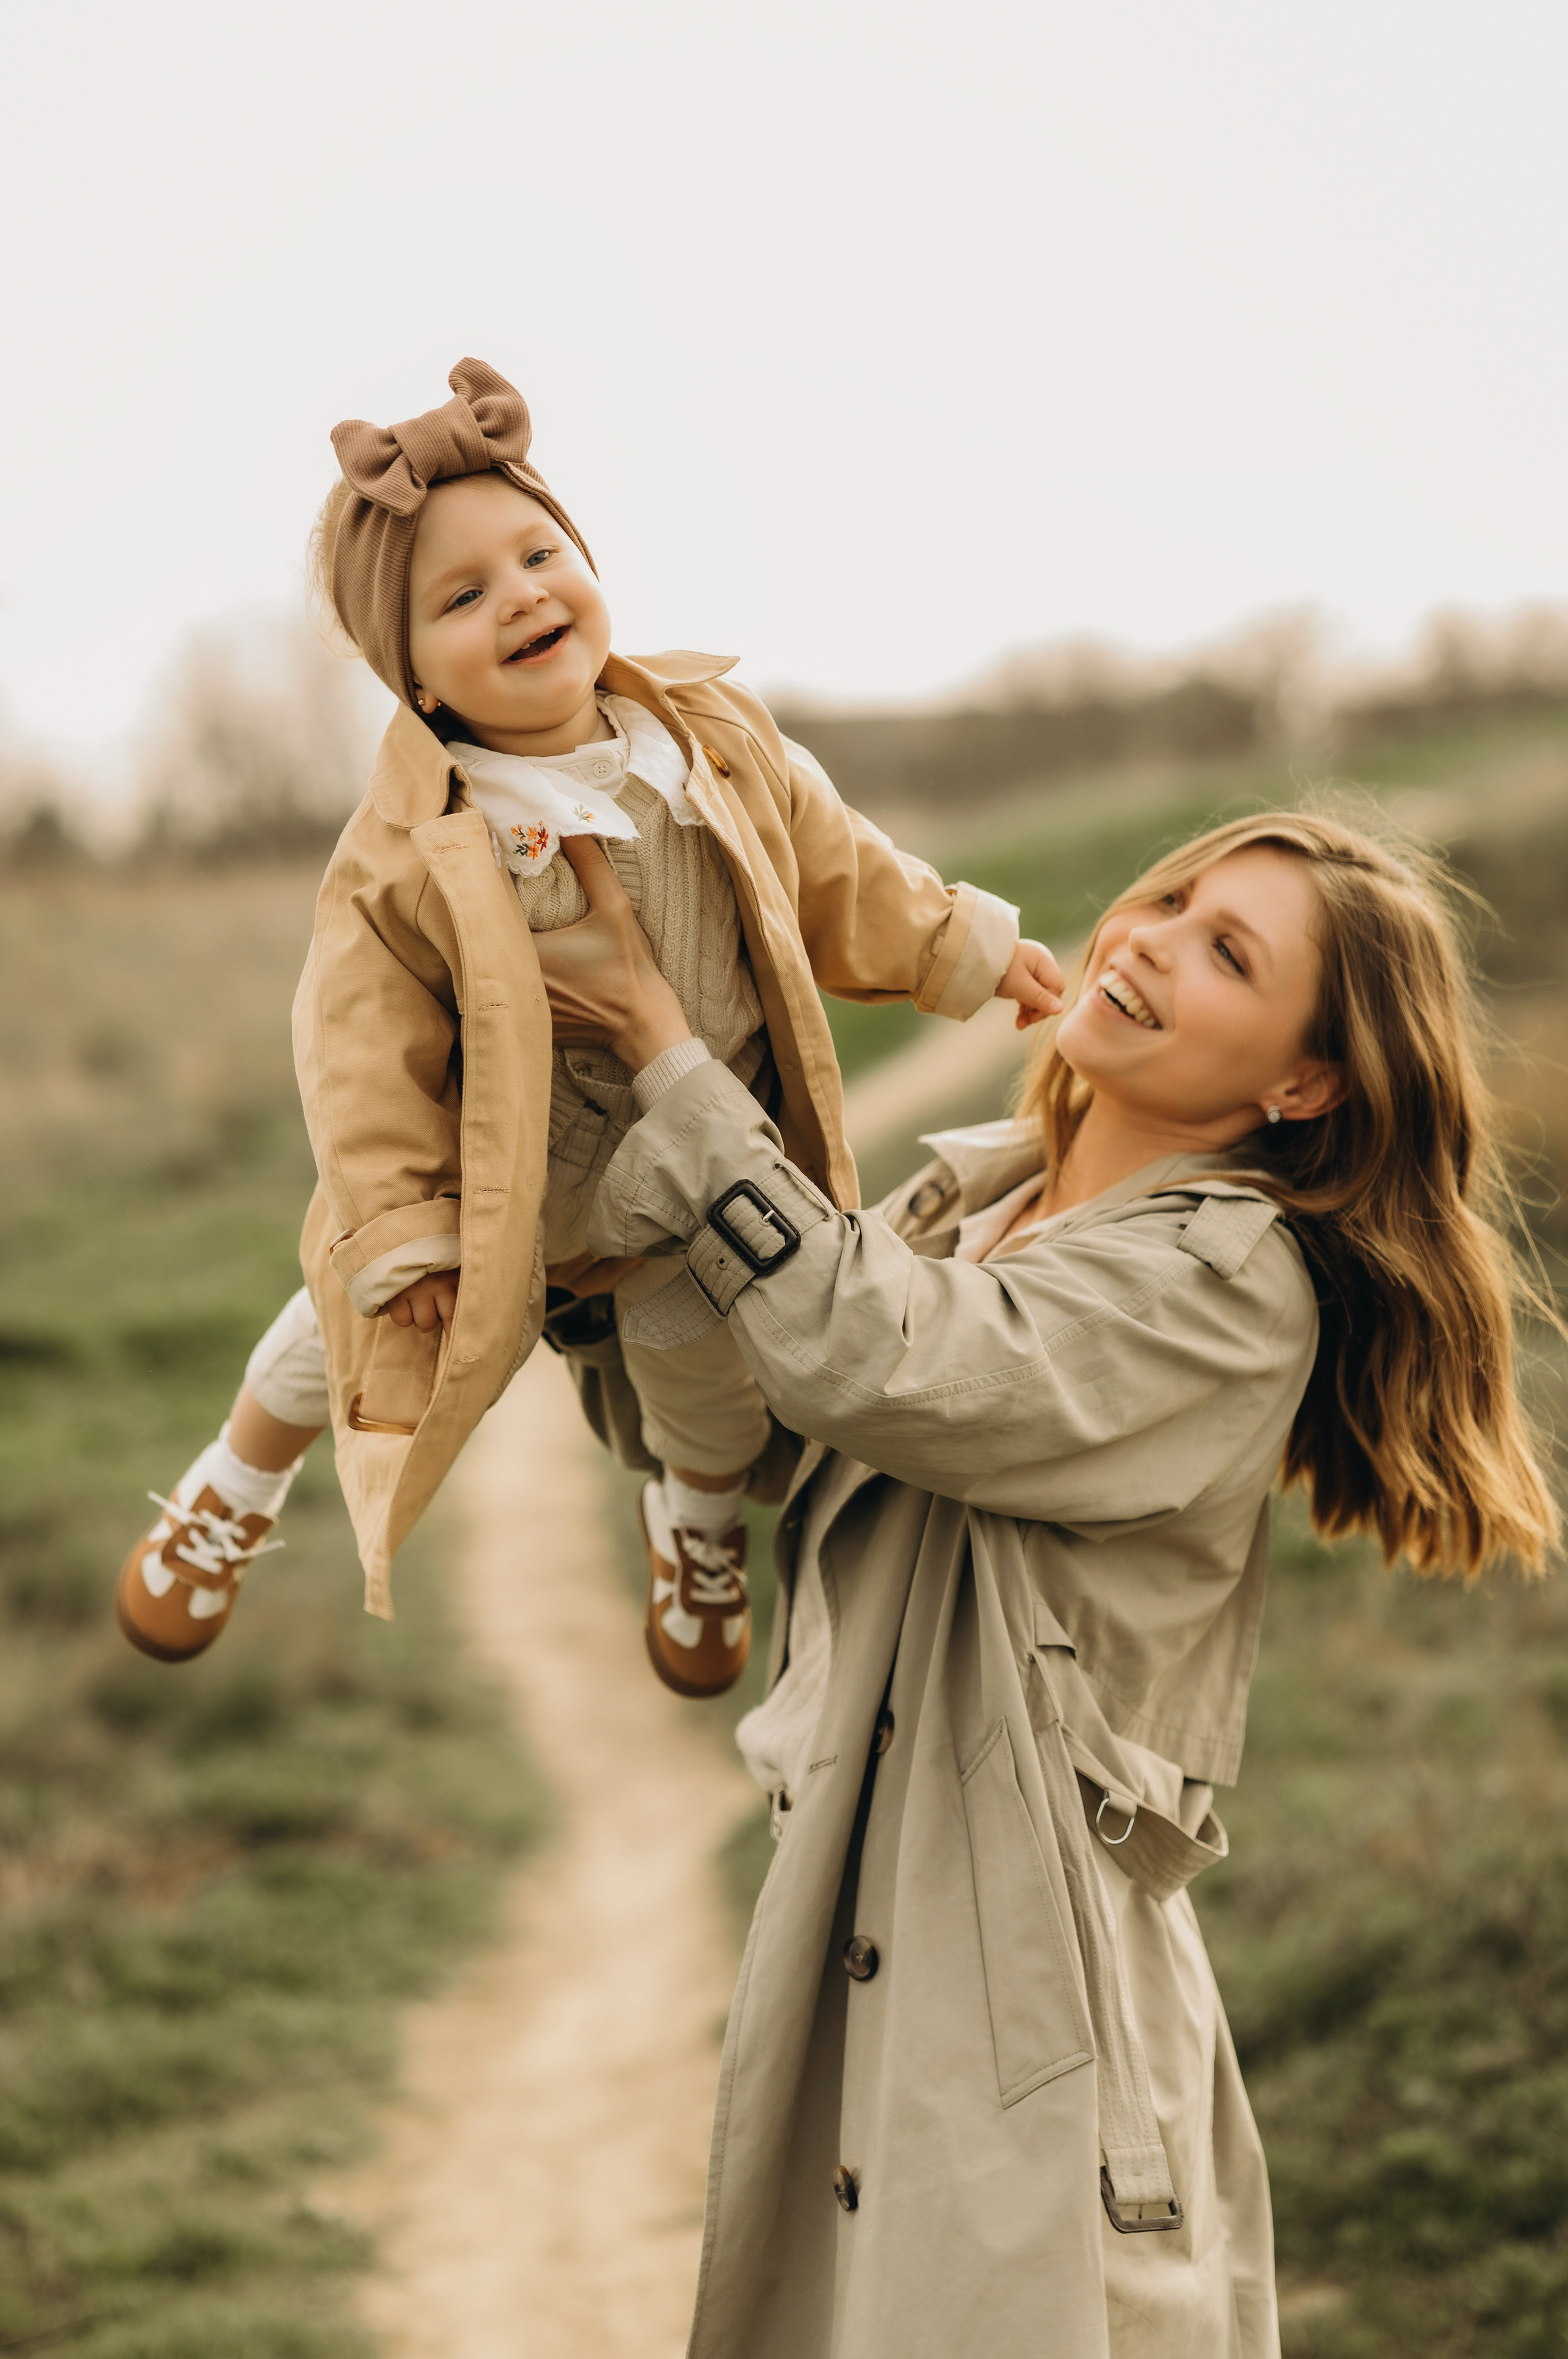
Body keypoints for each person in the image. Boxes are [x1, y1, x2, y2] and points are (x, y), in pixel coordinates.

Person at [523, 807, 1559, 2355]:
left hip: (1033, 2033)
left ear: (1301, 1084)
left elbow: (875, 1357)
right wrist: (583, 1205)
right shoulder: (968, 1214)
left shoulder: (1223, 1286)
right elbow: (742, 1423)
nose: (1145, 936)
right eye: (1170, 897)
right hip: (869, 1957)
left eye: (1227, 953)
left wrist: (679, 1067)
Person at [112, 357, 1063, 1694]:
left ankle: (696, 1529)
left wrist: (966, 946)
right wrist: (400, 1227)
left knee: (711, 1395)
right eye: (461, 595)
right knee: (336, 1336)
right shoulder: (413, 844)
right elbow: (356, 1046)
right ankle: (231, 1488)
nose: (521, 596)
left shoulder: (710, 743)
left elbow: (838, 869)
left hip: (681, 1164)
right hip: (491, 1189)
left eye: (538, 552)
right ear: (415, 679)